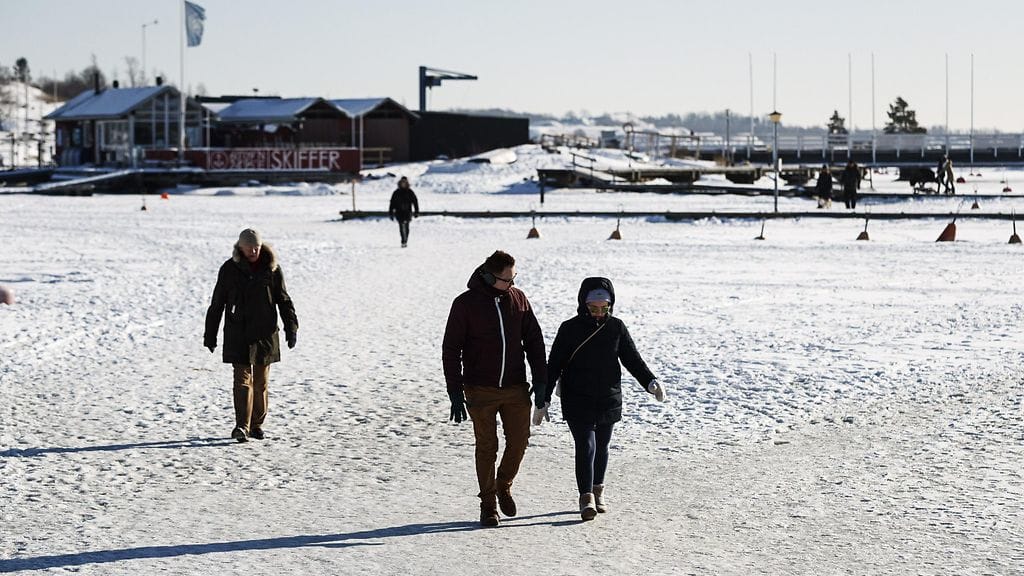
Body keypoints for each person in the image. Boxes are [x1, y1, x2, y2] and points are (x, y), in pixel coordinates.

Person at [536, 277, 665, 521]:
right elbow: (554, 365)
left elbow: (632, 359)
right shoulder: (569, 328)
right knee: (586, 445)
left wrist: (650, 382)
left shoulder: (616, 327)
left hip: (608, 397)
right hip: (577, 397)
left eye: (604, 308)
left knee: (603, 445)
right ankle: (586, 498)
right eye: (593, 308)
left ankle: (598, 490)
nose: (598, 313)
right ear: (583, 305)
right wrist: (544, 399)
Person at [442, 250, 547, 527]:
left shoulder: (518, 299)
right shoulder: (465, 304)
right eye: (506, 280)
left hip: (515, 387)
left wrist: (541, 379)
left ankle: (503, 484)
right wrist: (455, 391)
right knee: (487, 447)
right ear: (489, 277)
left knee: (520, 441)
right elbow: (451, 349)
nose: (511, 284)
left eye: (514, 278)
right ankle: (488, 505)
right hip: (480, 390)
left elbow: (534, 341)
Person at [204, 228, 299, 443]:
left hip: (264, 334)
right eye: (249, 248)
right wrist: (210, 335)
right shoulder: (229, 269)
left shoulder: (271, 269)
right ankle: (242, 426)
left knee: (261, 383)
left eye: (256, 247)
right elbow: (217, 304)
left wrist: (291, 328)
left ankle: (256, 424)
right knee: (242, 381)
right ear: (240, 247)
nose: (253, 251)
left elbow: (284, 300)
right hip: (237, 333)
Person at [388, 176, 420, 247]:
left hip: (407, 212)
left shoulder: (410, 192)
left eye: (404, 183)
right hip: (399, 212)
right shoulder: (396, 192)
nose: (403, 184)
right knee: (401, 227)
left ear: (407, 183)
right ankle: (403, 241)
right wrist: (391, 212)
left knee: (407, 228)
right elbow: (392, 203)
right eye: (402, 182)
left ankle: (405, 240)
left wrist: (416, 211)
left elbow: (415, 202)